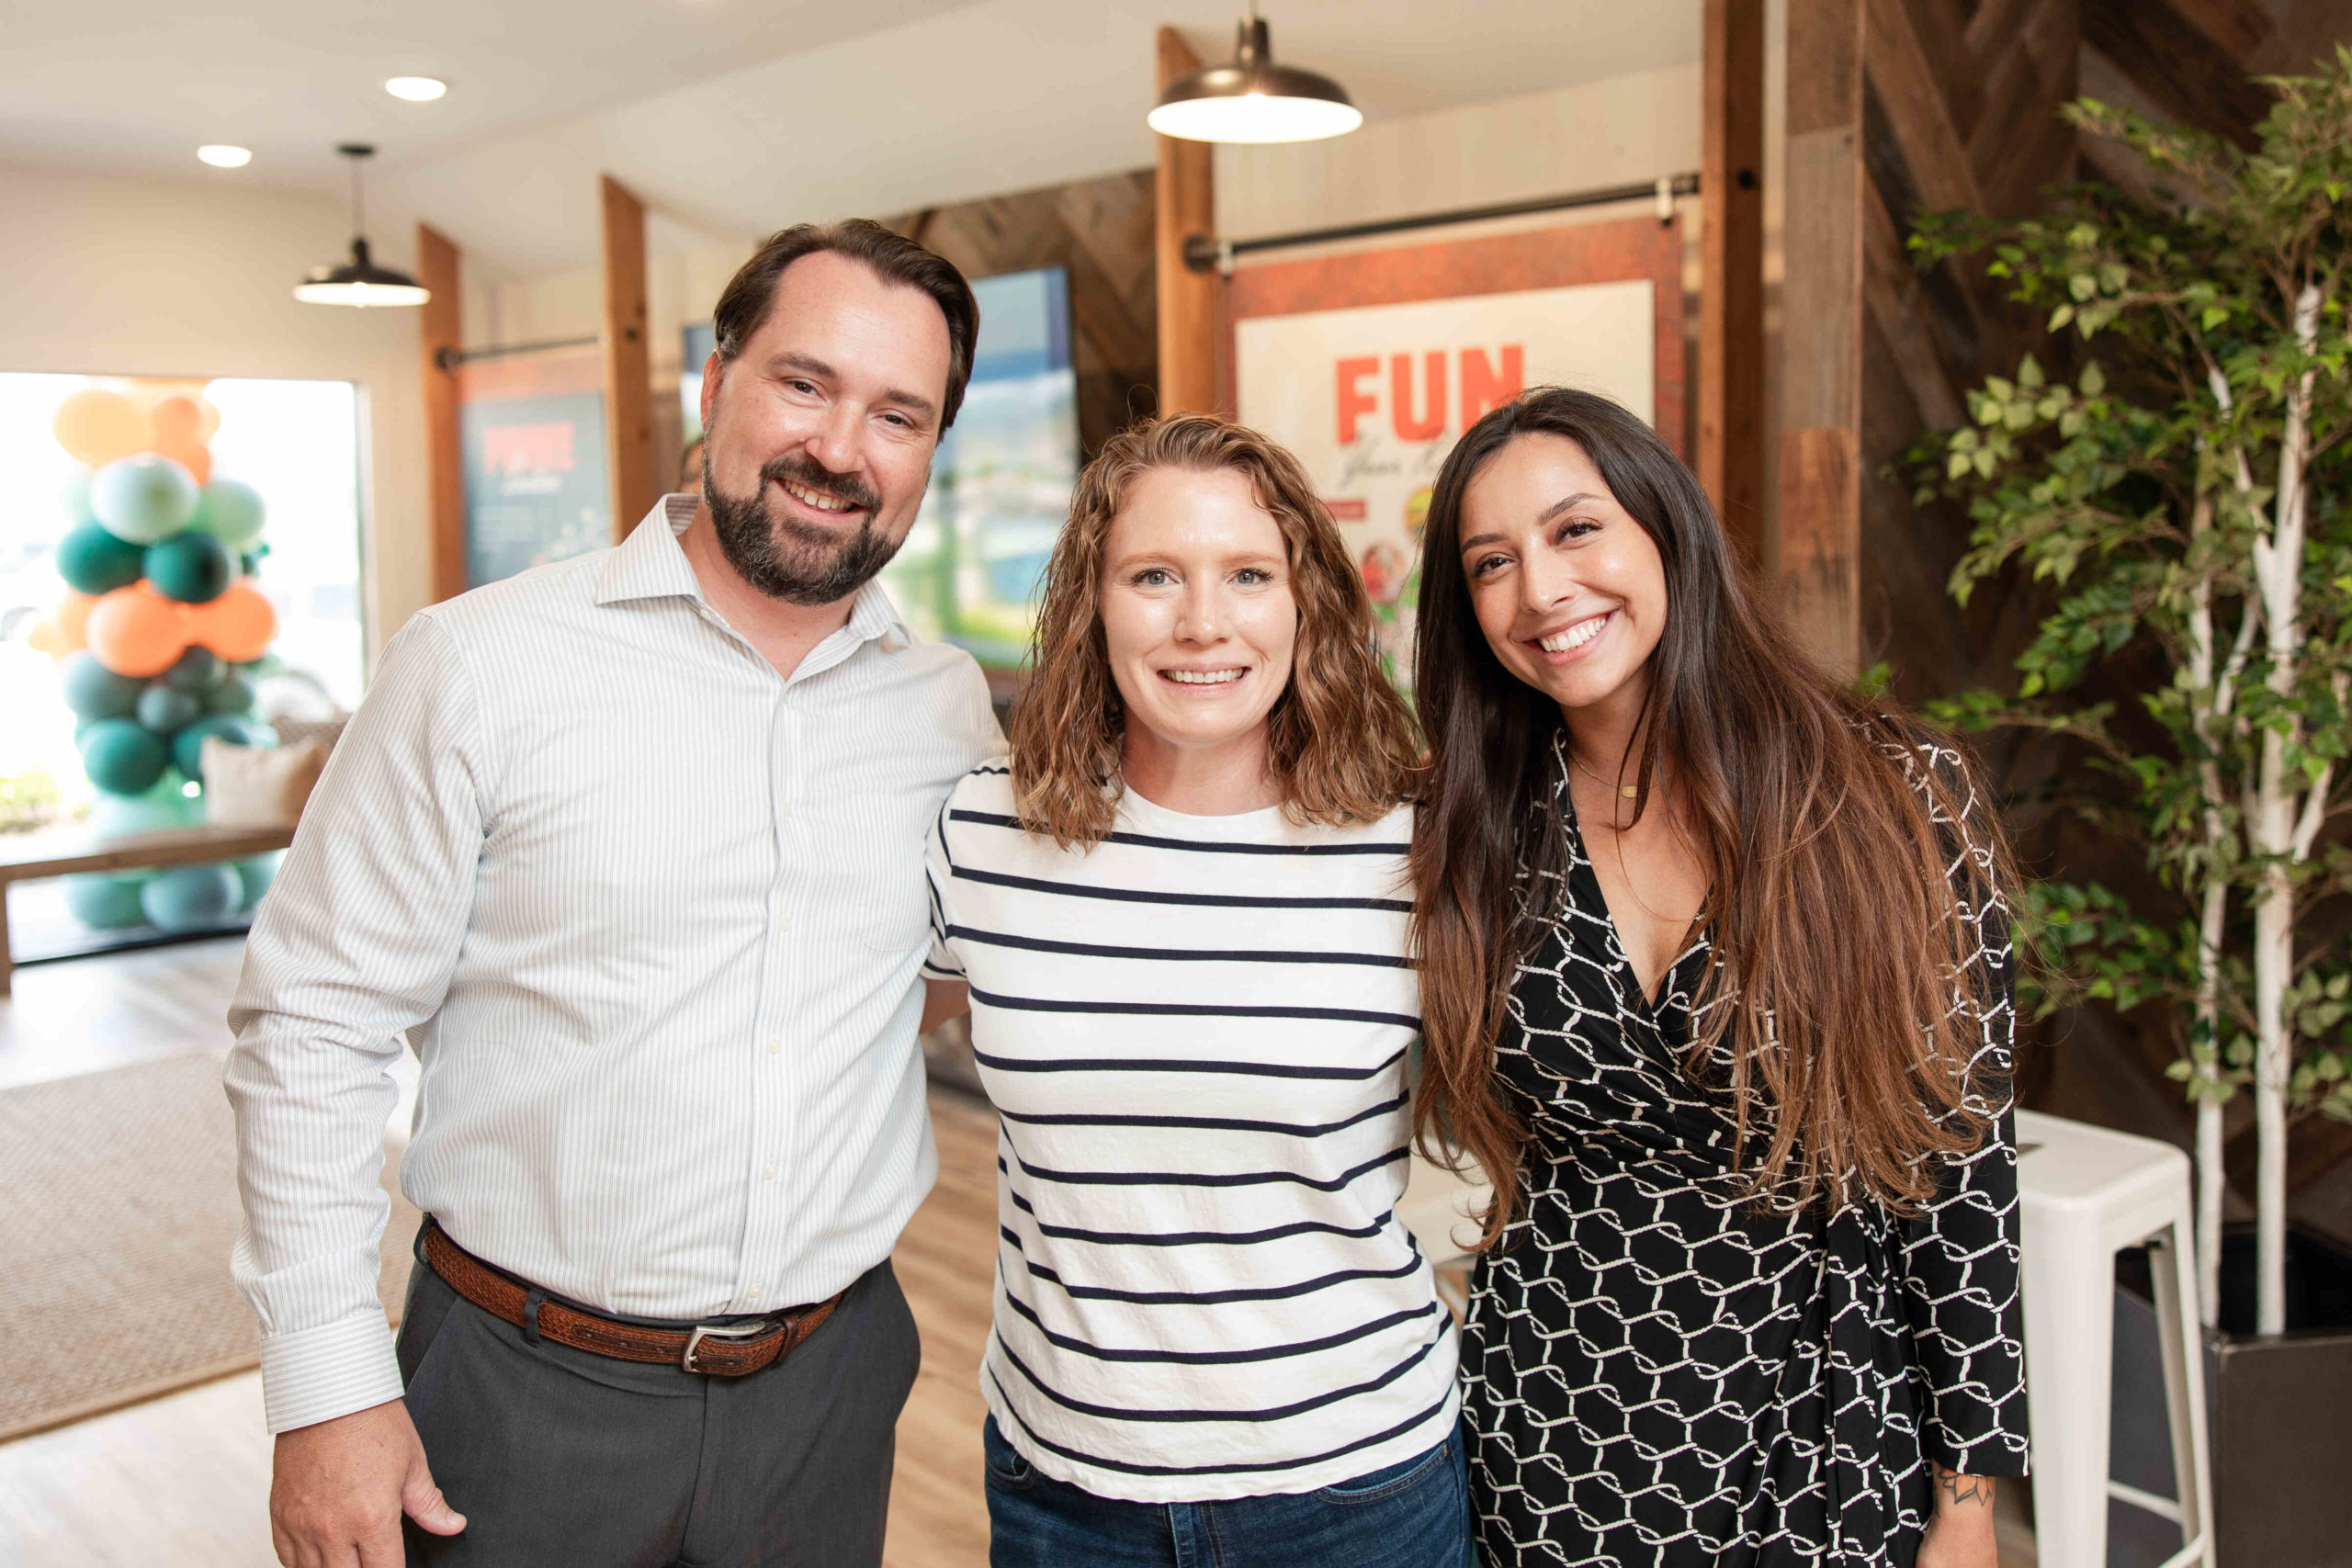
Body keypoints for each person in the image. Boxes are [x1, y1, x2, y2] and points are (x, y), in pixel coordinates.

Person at [226, 219, 1000, 1568]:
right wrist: (328, 1380)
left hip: (831, 1388)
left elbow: (934, 968)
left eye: (897, 413)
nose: (839, 447)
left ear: (932, 451)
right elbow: (311, 1021)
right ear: (715, 383)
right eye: (803, 383)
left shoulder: (943, 711)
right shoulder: (480, 662)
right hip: (521, 1396)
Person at [1406, 388, 2026, 1567]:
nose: (1540, 591)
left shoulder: (1890, 794)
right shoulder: (1470, 827)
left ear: (1665, 529)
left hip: (1827, 1426)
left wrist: (1970, 1497)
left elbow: (1963, 1165)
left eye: (1575, 530)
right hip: (1555, 1420)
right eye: (1492, 562)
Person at [923, 414, 1475, 1567]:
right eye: (1154, 575)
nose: (1202, 623)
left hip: (1355, 1486)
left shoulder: (1411, 848)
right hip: (1064, 1487)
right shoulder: (981, 830)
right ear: (1093, 601)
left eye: (1246, 575)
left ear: (1305, 603)